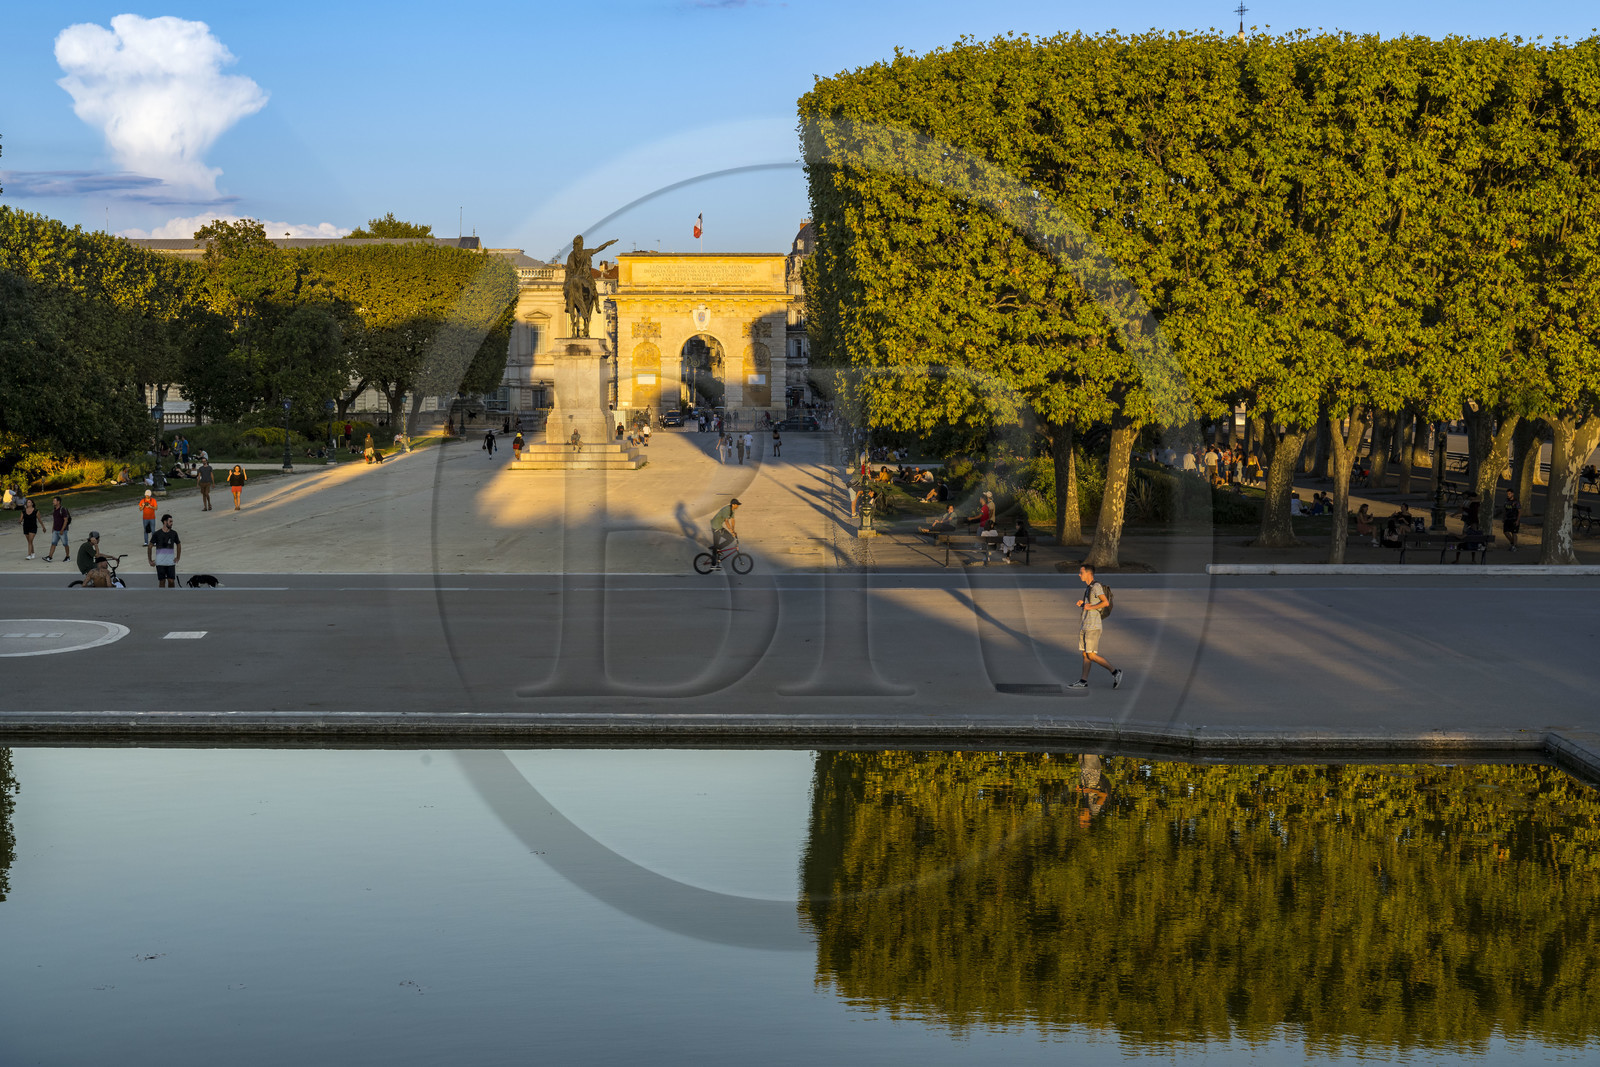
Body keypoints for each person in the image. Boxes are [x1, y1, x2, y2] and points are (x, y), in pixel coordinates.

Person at [1068, 563, 1122, 690]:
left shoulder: (1096, 586)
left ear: (1089, 573)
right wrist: (1083, 604)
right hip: (1086, 624)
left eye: (1081, 572)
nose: (1079, 575)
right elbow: (1090, 605)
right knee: (1085, 655)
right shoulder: (1089, 587)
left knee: (1091, 655)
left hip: (1093, 626)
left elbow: (1105, 602)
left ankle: (1115, 672)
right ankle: (1083, 681)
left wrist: (1090, 607)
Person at [148, 514, 181, 588]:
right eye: (170, 521)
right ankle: (162, 594)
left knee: (171, 581)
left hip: (170, 562)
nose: (172, 523)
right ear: (165, 522)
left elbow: (178, 544)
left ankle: (171, 594)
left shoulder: (174, 533)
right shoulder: (157, 534)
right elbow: (150, 547)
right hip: (160, 563)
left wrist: (178, 557)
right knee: (162, 582)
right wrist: (150, 560)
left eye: (172, 521)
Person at [708, 497, 741, 570]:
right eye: (737, 504)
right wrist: (731, 531)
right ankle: (713, 565)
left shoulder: (732, 510)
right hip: (715, 527)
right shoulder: (727, 510)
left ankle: (718, 548)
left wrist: (733, 531)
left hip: (719, 527)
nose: (738, 506)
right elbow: (726, 521)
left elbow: (732, 520)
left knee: (730, 538)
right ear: (733, 504)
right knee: (715, 547)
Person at [43, 496, 72, 562]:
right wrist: (53, 528)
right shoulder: (55, 510)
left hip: (62, 531)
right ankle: (50, 557)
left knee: (65, 544)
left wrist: (62, 530)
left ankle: (67, 557)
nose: (53, 502)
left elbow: (66, 520)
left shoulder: (62, 509)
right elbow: (55, 520)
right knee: (53, 543)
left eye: (54, 501)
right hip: (55, 530)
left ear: (58, 502)